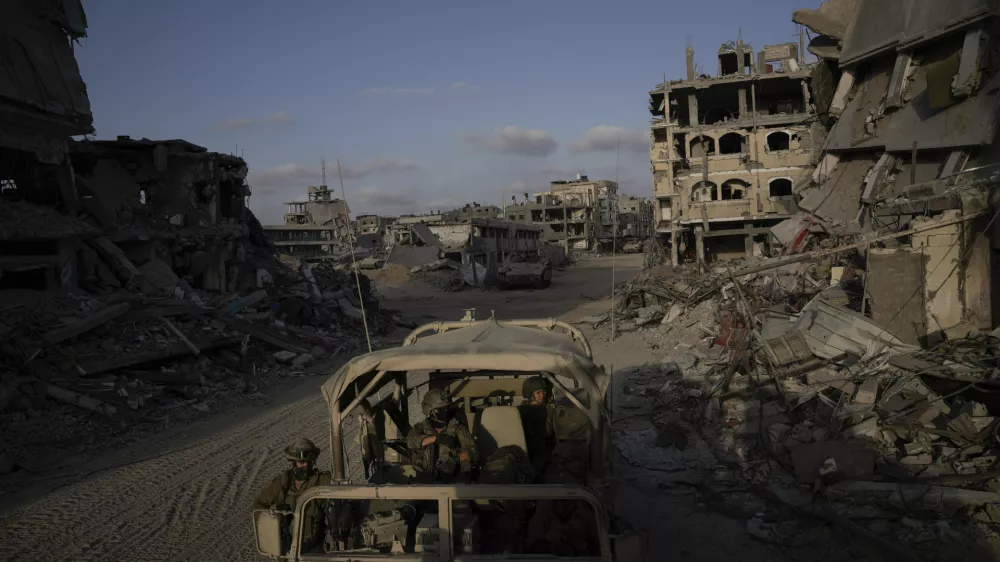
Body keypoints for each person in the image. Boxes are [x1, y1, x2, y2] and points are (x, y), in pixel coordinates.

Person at [252, 438, 333, 553]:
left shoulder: (322, 481)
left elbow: (342, 497)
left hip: (312, 553)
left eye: (307, 461)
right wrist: (270, 524)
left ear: (312, 461)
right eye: (301, 462)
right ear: (293, 462)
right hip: (285, 552)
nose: (304, 465)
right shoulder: (283, 483)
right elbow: (259, 504)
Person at [406, 388, 477, 482]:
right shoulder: (421, 428)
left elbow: (473, 452)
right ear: (430, 411)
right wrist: (436, 439)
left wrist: (455, 460)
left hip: (453, 481)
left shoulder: (457, 427)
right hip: (425, 480)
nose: (444, 412)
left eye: (446, 408)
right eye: (440, 409)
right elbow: (410, 442)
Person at [517, 376, 556, 479]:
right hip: (528, 452)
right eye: (538, 393)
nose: (542, 395)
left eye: (543, 392)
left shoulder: (550, 409)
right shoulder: (521, 411)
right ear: (530, 395)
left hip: (545, 451)